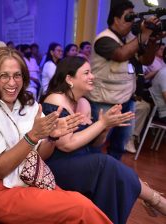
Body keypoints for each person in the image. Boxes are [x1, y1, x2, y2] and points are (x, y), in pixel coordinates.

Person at [0, 47, 112, 224]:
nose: (12, 82)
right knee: (81, 208)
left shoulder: (28, 105)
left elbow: (41, 155)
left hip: (30, 179)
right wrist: (32, 136)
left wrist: (51, 137)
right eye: (4, 76)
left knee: (81, 204)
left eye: (17, 76)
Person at [41, 56, 166, 224]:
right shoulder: (56, 100)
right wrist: (102, 123)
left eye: (91, 72)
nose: (92, 76)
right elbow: (66, 145)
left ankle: (147, 201)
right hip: (58, 166)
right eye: (86, 73)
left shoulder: (82, 102)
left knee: (109, 169)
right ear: (69, 79)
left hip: (80, 161)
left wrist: (104, 129)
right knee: (105, 163)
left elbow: (95, 144)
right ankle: (154, 199)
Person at [87, 0, 162, 160]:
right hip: (104, 100)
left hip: (127, 99)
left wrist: (153, 40)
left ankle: (113, 171)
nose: (132, 21)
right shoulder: (103, 39)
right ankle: (91, 175)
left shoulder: (131, 38)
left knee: (119, 144)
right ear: (116, 19)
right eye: (128, 17)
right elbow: (121, 54)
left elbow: (145, 61)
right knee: (96, 142)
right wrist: (145, 34)